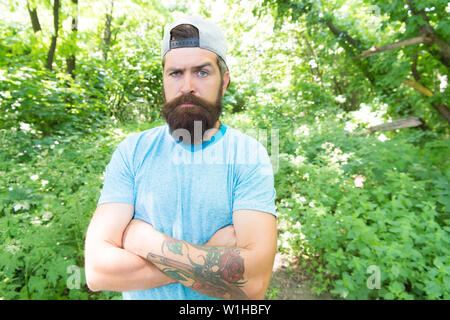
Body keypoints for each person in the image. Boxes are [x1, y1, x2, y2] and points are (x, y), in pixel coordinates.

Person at [84, 15, 277, 300]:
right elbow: (98, 271)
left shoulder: (248, 156)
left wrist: (144, 242)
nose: (187, 86)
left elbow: (253, 284)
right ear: (163, 80)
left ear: (223, 82)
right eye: (175, 73)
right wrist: (212, 255)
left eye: (201, 72)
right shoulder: (133, 152)